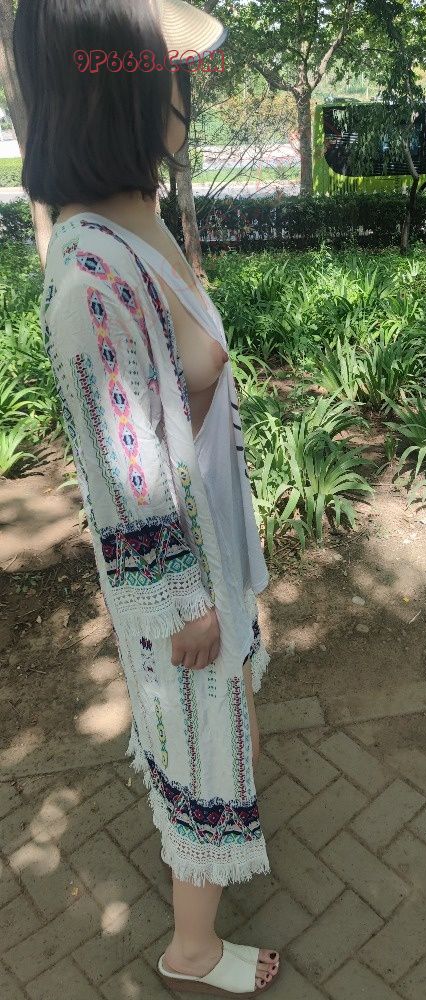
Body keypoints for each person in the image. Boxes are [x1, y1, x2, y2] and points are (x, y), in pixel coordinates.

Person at [12, 0, 281, 995]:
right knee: (202, 740)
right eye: (163, 75)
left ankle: (201, 906)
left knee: (225, 723)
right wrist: (186, 602)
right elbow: (117, 470)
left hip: (212, 537)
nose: (183, 95)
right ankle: (191, 951)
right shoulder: (88, 274)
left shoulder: (141, 213)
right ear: (110, 93)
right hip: (177, 577)